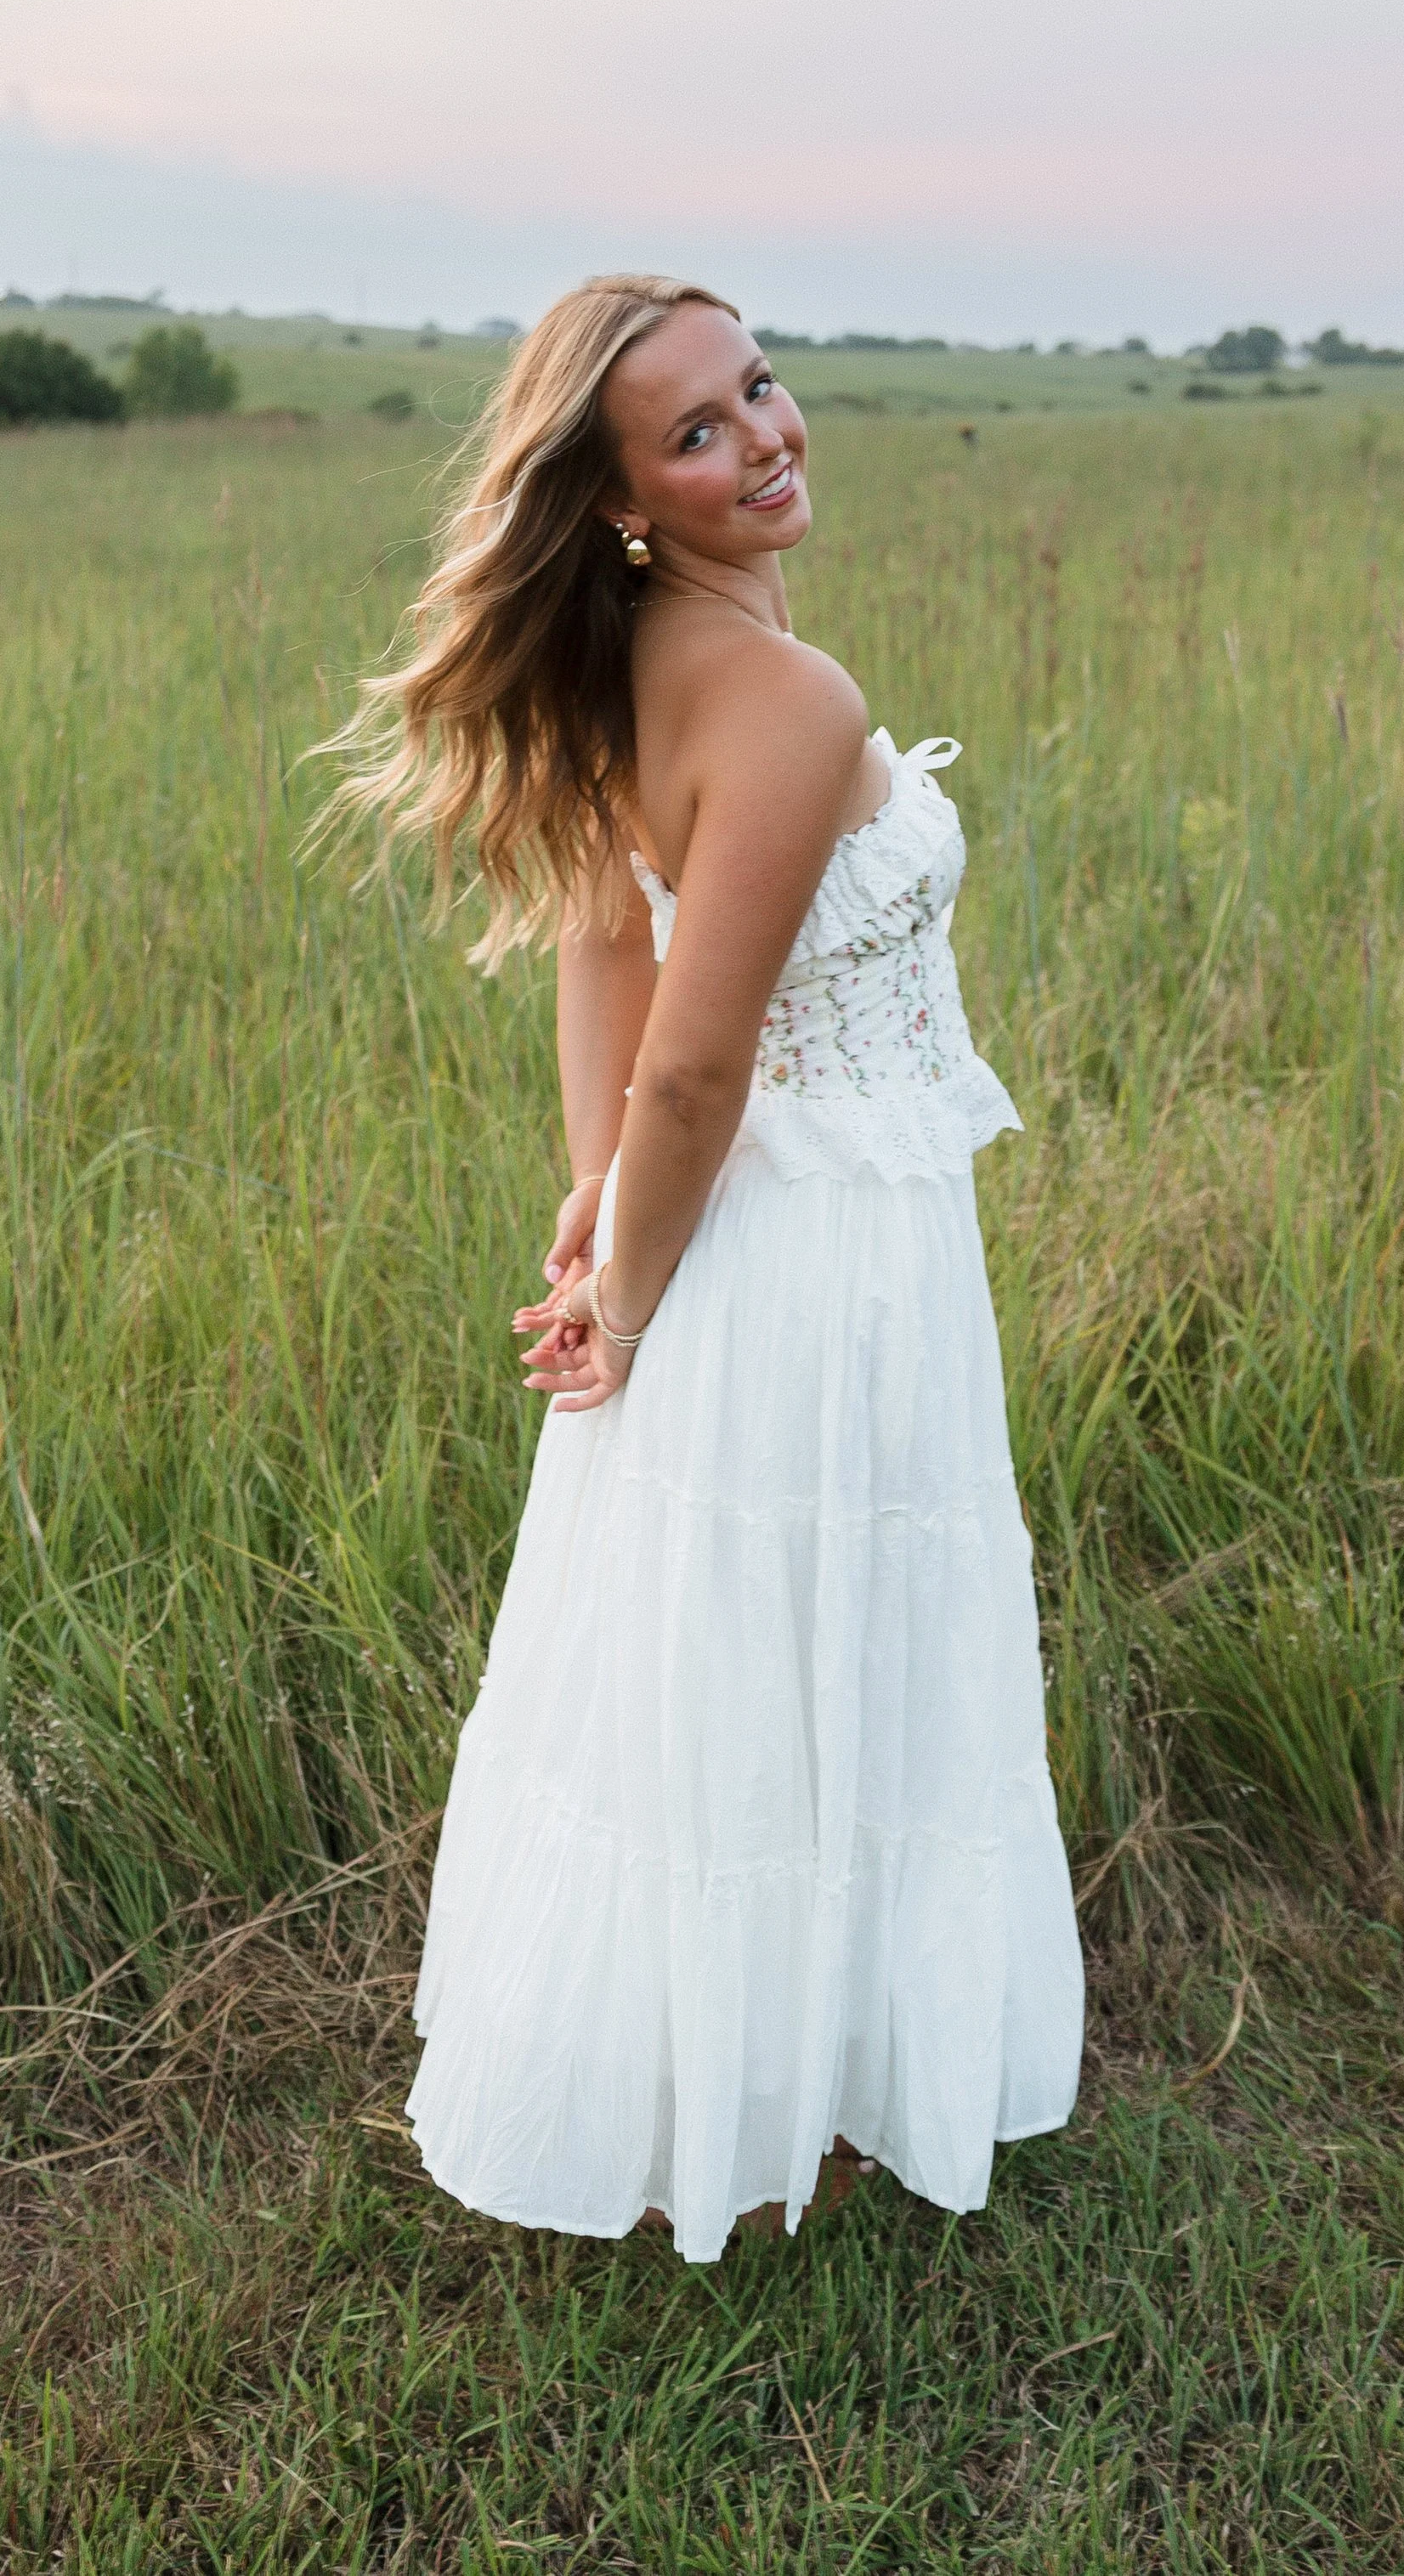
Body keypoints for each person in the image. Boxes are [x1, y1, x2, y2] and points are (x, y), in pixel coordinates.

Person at [321, 275, 1083, 2262]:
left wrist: (595, 1226)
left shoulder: (638, 662)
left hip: (743, 1235)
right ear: (618, 505)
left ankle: (766, 2084)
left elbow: (601, 943)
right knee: (807, 1644)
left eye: (756, 388)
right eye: (694, 433)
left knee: (724, 1653)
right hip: (810, 1253)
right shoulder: (785, 695)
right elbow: (691, 1050)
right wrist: (628, 1283)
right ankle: (794, 2108)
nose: (760, 437)